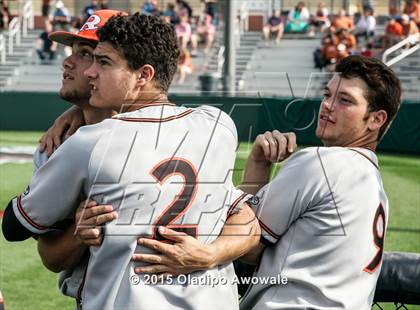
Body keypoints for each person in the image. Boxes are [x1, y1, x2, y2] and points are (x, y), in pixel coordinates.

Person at [2, 13, 258, 310]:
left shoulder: (86, 143)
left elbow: (14, 225)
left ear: (143, 75)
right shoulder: (218, 124)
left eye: (98, 59)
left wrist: (210, 255)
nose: (87, 71)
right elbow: (246, 221)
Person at [116, 56, 402, 309]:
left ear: (376, 119)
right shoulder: (375, 185)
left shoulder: (323, 162)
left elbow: (245, 244)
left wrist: (255, 166)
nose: (327, 106)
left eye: (345, 100)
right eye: (328, 95)